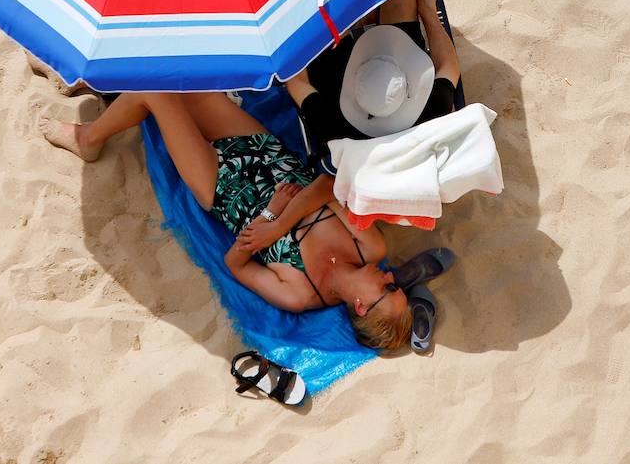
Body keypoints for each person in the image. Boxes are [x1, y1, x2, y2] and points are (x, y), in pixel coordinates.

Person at [40, 91, 412, 350]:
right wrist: (278, 225)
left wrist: (268, 215)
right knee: (178, 75)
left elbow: (236, 264)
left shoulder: (301, 294)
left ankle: (89, 138)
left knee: (156, 93)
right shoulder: (370, 248)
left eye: (390, 290)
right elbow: (328, 185)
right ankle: (92, 82)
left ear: (361, 306)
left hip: (221, 186)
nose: (391, 278)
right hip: (262, 150)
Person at [238, 0, 461, 255]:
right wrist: (428, 10)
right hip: (390, 65)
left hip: (336, 68)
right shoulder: (428, 109)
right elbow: (448, 66)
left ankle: (350, 14)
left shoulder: (336, 128)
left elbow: (296, 81)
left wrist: (295, 37)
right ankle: (364, 13)